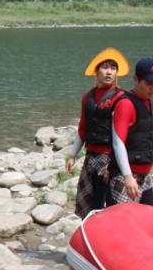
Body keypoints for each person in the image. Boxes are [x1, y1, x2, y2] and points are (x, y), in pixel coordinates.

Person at [66, 48, 129, 217]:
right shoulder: (87, 97)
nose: (109, 72)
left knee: (108, 205)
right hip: (90, 156)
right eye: (105, 67)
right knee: (90, 204)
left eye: (113, 68)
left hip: (110, 158)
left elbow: (125, 135)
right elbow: (83, 127)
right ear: (96, 71)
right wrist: (72, 156)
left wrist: (114, 163)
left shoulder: (121, 98)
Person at [109, 57, 153, 205]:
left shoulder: (148, 103)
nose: (152, 88)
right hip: (125, 177)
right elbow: (118, 143)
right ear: (136, 80)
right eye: (148, 83)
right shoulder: (125, 104)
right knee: (122, 218)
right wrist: (128, 176)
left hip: (145, 176)